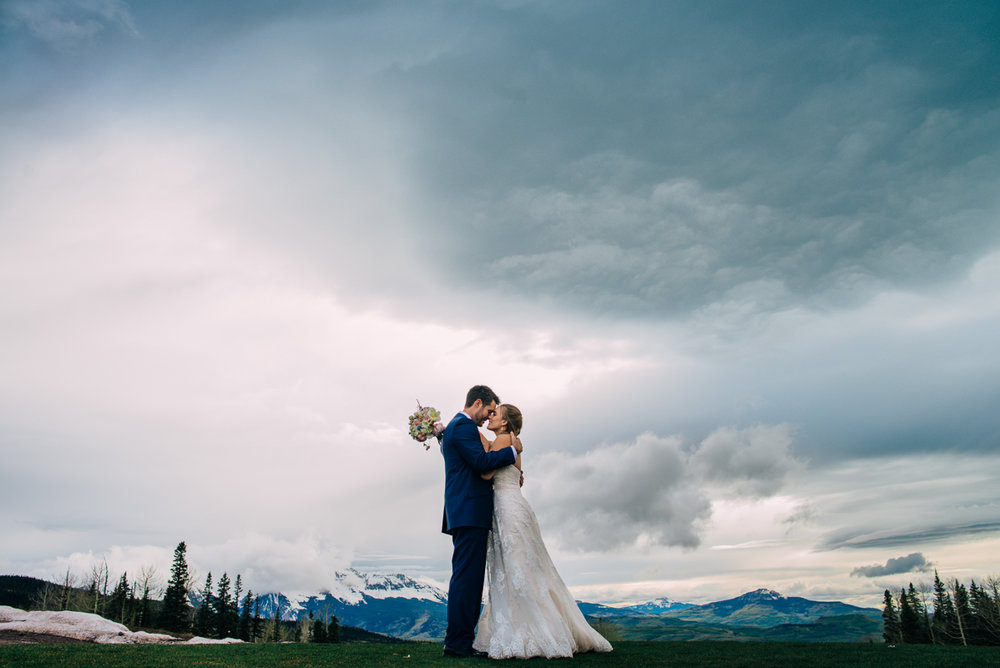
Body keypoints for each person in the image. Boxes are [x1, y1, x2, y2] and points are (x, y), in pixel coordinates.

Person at [473, 404, 613, 659]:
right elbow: (517, 473)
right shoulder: (513, 440)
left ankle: (531, 632)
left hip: (507, 507)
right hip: (516, 504)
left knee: (515, 568)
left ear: (505, 423)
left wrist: (477, 438)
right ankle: (546, 627)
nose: (490, 417)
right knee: (526, 568)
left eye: (495, 413)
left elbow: (485, 472)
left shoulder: (504, 440)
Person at [440, 385, 522, 658]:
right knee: (467, 580)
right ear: (477, 402)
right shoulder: (462, 427)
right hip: (469, 510)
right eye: (488, 410)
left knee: (469, 579)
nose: (488, 417)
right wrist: (512, 453)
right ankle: (457, 644)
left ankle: (459, 641)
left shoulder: (457, 428)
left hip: (466, 510)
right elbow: (480, 462)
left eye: (492, 414)